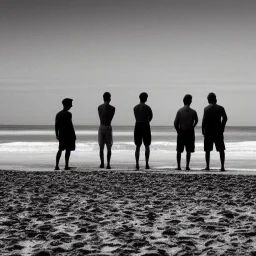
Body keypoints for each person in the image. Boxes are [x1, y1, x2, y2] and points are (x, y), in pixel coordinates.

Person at [202, 92, 228, 171]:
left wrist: (203, 130)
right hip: (218, 130)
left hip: (209, 130)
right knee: (221, 149)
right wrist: (222, 127)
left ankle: (207, 166)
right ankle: (222, 166)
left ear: (208, 100)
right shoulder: (220, 108)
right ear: (215, 99)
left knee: (207, 150)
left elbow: (204, 121)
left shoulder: (206, 109)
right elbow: (225, 118)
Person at [174, 94, 198, 170]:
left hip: (181, 131)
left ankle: (178, 166)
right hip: (190, 132)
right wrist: (193, 127)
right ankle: (187, 166)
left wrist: (178, 130)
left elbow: (175, 123)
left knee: (179, 150)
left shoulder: (180, 111)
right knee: (188, 150)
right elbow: (196, 121)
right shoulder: (193, 111)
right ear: (190, 101)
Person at [55, 98, 76, 170]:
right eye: (70, 104)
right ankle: (66, 165)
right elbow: (70, 125)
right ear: (67, 104)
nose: (71, 105)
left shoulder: (58, 114)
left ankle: (57, 165)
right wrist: (74, 134)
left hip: (61, 134)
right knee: (68, 150)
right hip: (68, 134)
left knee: (60, 149)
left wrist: (56, 134)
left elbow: (56, 125)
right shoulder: (69, 114)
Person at [134, 92, 153, 170]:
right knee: (147, 145)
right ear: (145, 98)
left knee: (138, 146)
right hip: (145, 125)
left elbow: (136, 116)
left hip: (138, 125)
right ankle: (147, 164)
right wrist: (147, 121)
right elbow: (151, 117)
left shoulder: (135, 108)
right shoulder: (147, 107)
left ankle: (137, 164)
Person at [98, 92, 116, 169]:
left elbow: (100, 117)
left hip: (101, 126)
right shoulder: (112, 108)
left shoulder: (99, 107)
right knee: (109, 147)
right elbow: (111, 118)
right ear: (110, 98)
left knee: (101, 147)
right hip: (108, 127)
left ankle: (102, 163)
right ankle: (108, 164)